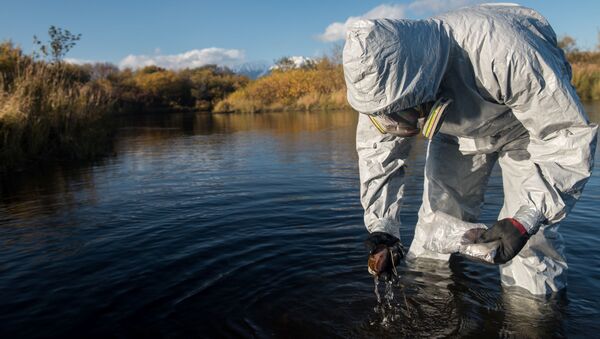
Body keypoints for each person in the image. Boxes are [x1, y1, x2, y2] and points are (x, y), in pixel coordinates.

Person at [344, 3, 597, 295]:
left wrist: (525, 219)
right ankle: (432, 305)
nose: (399, 126)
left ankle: (534, 318)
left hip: (526, 130)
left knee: (529, 240)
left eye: (405, 113)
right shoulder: (375, 89)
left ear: (421, 81)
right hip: (455, 129)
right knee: (435, 227)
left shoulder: (506, 51)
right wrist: (383, 228)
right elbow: (379, 156)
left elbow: (566, 136)